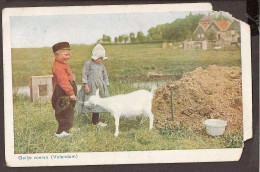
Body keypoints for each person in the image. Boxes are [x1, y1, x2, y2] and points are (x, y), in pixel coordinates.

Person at [77, 44, 109, 127]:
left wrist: (105, 84)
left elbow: (105, 75)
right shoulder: (88, 64)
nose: (100, 60)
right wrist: (85, 85)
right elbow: (84, 75)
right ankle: (86, 120)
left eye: (102, 59)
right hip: (91, 87)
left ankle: (96, 121)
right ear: (95, 57)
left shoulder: (101, 65)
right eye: (99, 58)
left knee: (98, 103)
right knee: (90, 101)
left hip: (100, 87)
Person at [51, 42, 77, 137]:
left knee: (68, 110)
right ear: (57, 54)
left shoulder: (63, 64)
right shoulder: (58, 67)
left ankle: (63, 131)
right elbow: (64, 82)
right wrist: (71, 93)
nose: (68, 57)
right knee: (65, 111)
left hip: (66, 91)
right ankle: (63, 132)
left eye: (69, 55)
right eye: (66, 54)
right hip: (63, 92)